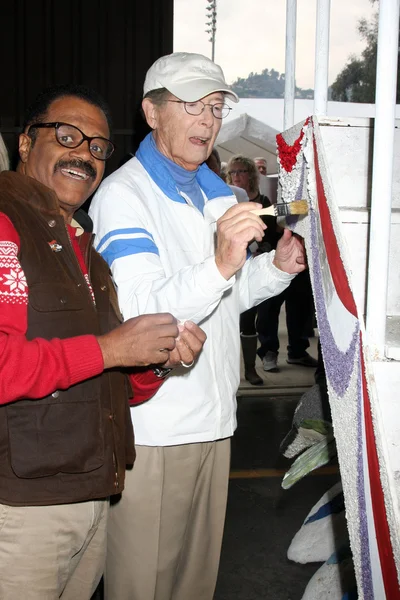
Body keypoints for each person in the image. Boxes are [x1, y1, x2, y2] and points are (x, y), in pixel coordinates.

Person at [90, 51, 306, 600]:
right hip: (157, 429)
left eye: (215, 107)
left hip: (215, 419)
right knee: (143, 587)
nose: (207, 121)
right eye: (191, 106)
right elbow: (143, 311)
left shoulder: (215, 192)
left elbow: (225, 300)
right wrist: (221, 263)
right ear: (152, 112)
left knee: (195, 585)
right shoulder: (123, 195)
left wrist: (273, 270)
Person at [0, 83, 206, 600]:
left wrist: (155, 362)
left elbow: (113, 385)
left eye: (97, 147)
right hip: (21, 511)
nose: (83, 155)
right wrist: (114, 348)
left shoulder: (86, 252)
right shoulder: (6, 223)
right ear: (26, 143)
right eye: (66, 136)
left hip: (90, 497)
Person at [226, 154, 277, 384]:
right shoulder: (224, 197)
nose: (236, 176)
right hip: (227, 264)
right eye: (233, 172)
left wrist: (262, 246)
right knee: (225, 320)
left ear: (251, 175)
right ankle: (227, 371)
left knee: (249, 321)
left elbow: (272, 233)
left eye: (241, 172)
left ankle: (250, 369)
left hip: (253, 266)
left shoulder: (264, 201)